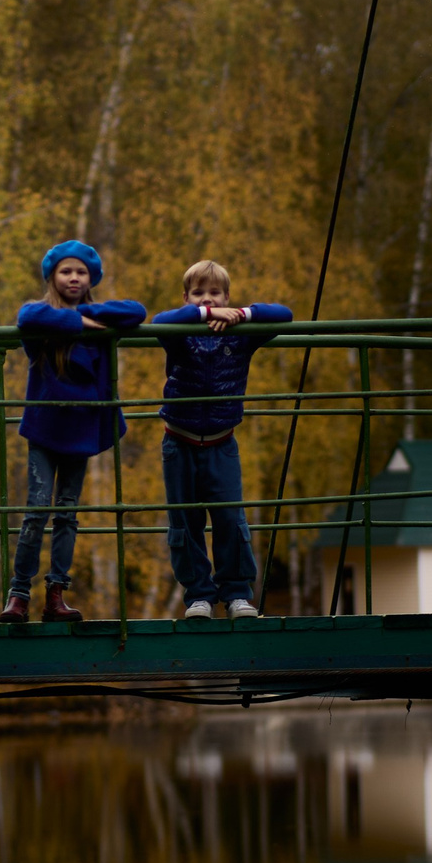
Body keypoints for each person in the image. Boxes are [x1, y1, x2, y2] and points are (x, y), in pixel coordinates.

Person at [0, 240, 145, 624]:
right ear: (52, 277)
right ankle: (18, 594)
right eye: (66, 271)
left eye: (81, 272)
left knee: (67, 513)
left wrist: (87, 313)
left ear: (90, 278)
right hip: (46, 429)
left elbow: (137, 311)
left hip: (80, 429)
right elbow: (26, 317)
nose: (74, 277)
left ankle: (56, 594)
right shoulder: (42, 318)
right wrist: (76, 321)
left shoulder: (100, 315)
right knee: (38, 509)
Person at [150, 260, 292, 619]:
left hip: (222, 442)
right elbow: (159, 323)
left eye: (215, 294)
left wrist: (242, 314)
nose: (208, 300)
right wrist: (198, 314)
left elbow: (284, 314)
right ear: (187, 299)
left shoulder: (241, 334)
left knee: (230, 519)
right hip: (178, 442)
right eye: (199, 294)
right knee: (185, 522)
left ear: (228, 297)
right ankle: (199, 595)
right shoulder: (181, 332)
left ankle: (237, 594)